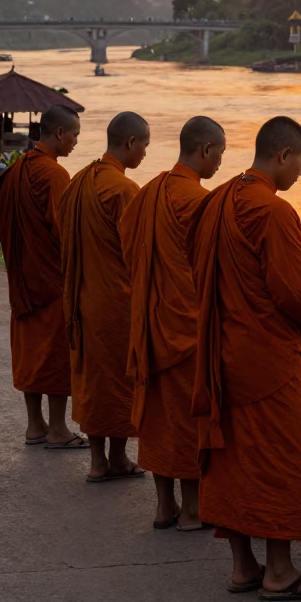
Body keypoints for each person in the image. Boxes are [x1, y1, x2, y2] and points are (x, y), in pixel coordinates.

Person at [190, 115, 301, 599]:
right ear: (282, 156)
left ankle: (243, 567)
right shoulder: (273, 212)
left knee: (233, 459)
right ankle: (278, 573)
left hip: (222, 352)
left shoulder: (217, 201)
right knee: (277, 460)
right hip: (267, 360)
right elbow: (294, 293)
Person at [120, 115, 226, 531]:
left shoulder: (147, 194)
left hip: (150, 322)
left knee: (158, 417)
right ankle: (193, 509)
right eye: (219, 153)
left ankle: (165, 506)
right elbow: (216, 271)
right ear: (205, 150)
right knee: (188, 418)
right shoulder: (200, 202)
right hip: (188, 327)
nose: (219, 162)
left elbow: (130, 249)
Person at [59, 111, 149, 482]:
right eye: (143, 146)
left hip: (80, 300)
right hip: (117, 303)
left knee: (92, 380)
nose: (144, 154)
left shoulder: (76, 182)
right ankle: (118, 458)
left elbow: (62, 239)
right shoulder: (124, 190)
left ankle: (99, 462)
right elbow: (141, 253)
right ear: (130, 142)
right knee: (119, 379)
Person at [0, 104, 85, 447]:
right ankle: (59, 430)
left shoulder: (16, 170)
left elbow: (5, 225)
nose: (76, 142)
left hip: (23, 279)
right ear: (59, 133)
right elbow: (65, 232)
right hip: (51, 281)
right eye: (75, 134)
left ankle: (36, 425)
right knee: (56, 355)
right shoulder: (53, 174)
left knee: (30, 352)